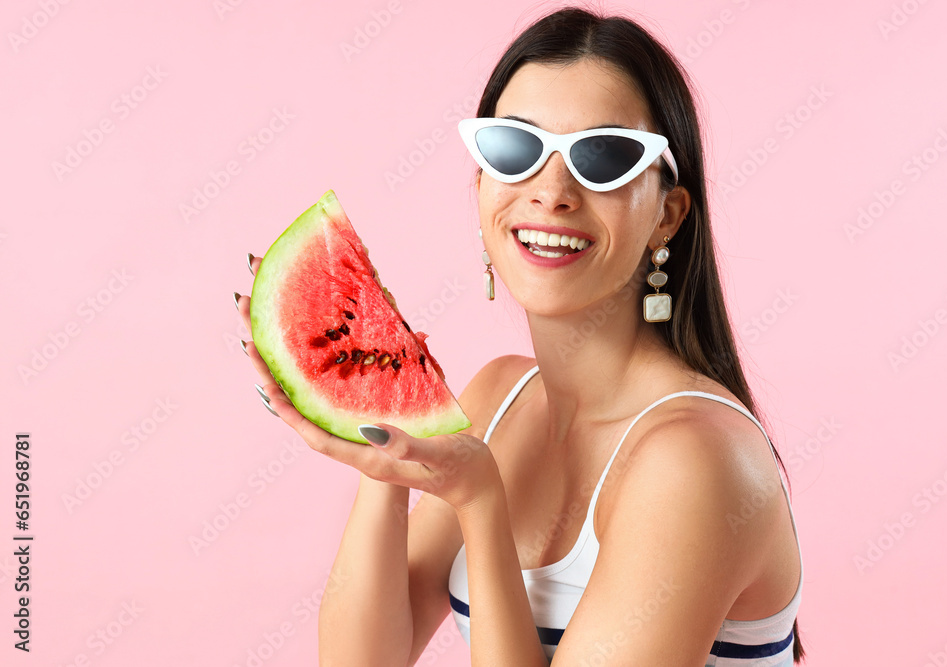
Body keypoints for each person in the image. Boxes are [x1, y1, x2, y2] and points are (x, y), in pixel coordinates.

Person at [234, 5, 805, 666]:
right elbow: (364, 659)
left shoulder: (698, 460)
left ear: (667, 216)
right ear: (482, 185)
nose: (551, 191)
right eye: (516, 147)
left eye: (605, 157)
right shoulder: (501, 397)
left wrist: (481, 503)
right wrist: (377, 418)